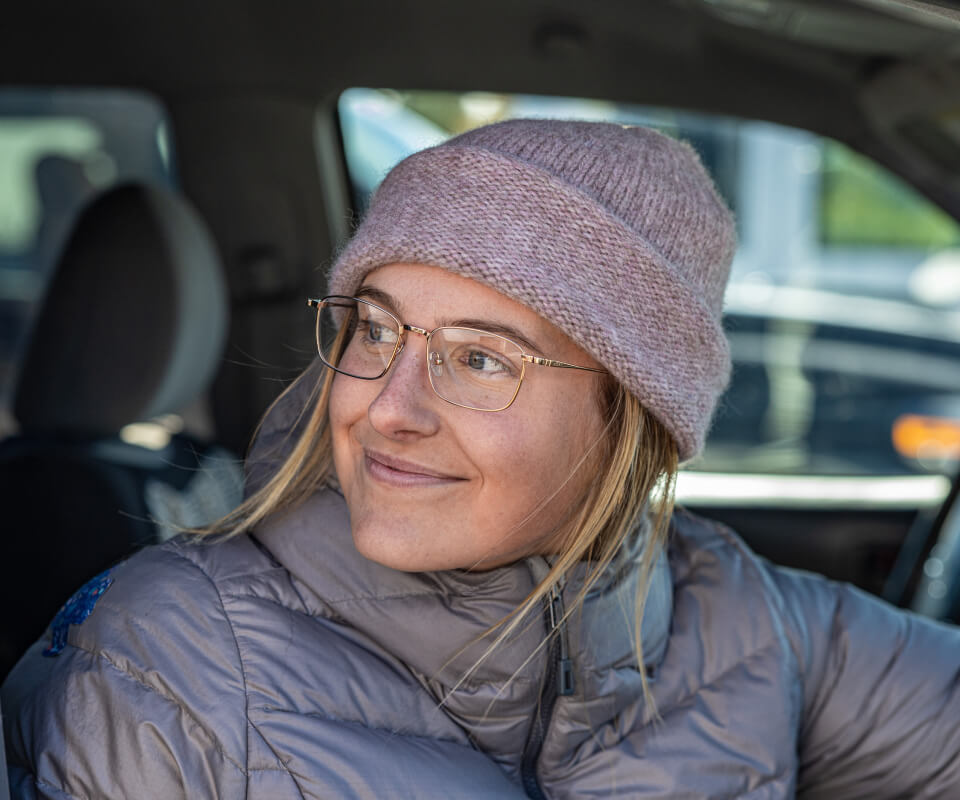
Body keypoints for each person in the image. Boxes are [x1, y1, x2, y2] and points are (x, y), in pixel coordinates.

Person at [4, 118, 960, 800]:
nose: (389, 408)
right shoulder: (159, 664)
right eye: (375, 333)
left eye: (478, 358)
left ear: (633, 415)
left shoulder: (741, 615)